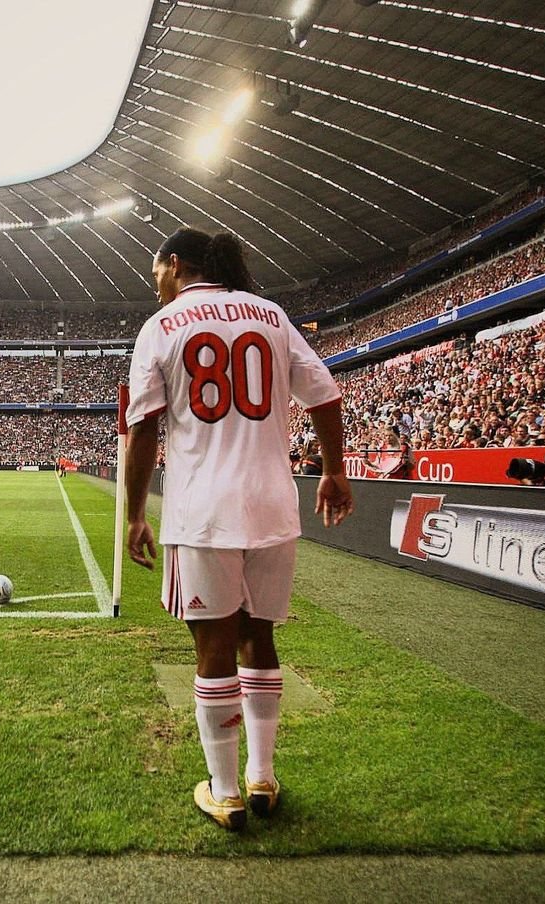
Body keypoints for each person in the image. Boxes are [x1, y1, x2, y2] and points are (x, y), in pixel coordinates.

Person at [125, 227, 353, 831]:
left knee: (213, 649)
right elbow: (325, 395)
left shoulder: (162, 326)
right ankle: (262, 776)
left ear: (175, 264)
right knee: (260, 637)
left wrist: (135, 513)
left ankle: (224, 791)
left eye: (156, 270)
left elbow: (143, 427)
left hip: (203, 513)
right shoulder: (271, 315)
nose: (154, 281)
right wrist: (333, 470)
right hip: (273, 507)